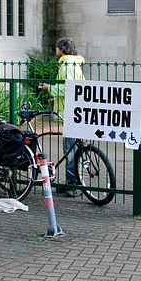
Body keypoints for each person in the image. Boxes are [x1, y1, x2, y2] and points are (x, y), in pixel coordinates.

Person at [39, 37, 85, 197]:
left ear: (62, 49)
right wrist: (55, 99)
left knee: (70, 149)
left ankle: (74, 183)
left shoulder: (67, 64)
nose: (55, 52)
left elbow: (69, 88)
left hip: (70, 113)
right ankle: (72, 182)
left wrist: (49, 88)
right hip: (73, 109)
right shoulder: (74, 63)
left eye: (56, 48)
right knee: (73, 147)